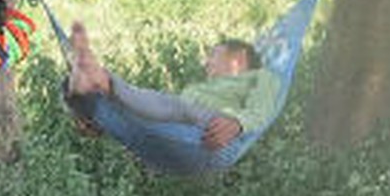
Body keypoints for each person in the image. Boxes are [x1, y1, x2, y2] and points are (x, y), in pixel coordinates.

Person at [67, 22, 280, 150]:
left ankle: (102, 80)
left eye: (213, 54)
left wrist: (238, 124)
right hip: (182, 127)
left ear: (239, 58)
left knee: (173, 105)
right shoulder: (203, 88)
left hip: (214, 125)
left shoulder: (262, 77)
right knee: (155, 112)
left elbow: (261, 110)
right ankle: (93, 100)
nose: (206, 62)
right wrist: (107, 121)